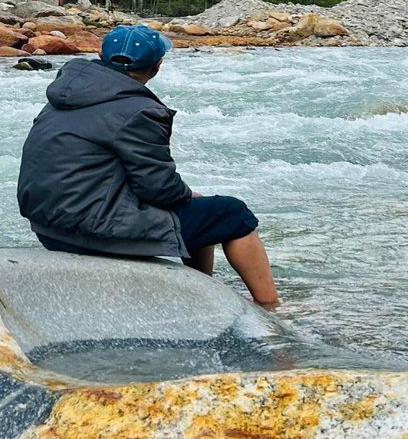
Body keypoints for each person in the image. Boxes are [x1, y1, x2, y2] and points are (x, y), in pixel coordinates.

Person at [17, 23, 281, 308]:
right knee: (233, 214)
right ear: (158, 65)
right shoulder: (139, 111)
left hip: (49, 228)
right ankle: (270, 306)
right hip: (92, 233)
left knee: (202, 211)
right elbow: (159, 188)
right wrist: (186, 194)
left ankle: (200, 289)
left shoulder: (64, 95)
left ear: (101, 56)